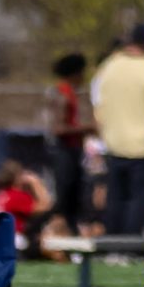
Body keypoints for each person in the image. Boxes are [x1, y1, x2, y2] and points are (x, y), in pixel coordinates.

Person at [92, 25, 144, 237]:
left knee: (115, 198)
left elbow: (97, 104)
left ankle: (112, 242)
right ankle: (131, 245)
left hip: (113, 143)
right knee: (139, 199)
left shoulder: (108, 67)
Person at [45, 52, 88, 232]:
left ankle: (72, 227)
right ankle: (53, 227)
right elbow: (58, 128)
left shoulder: (73, 93)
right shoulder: (61, 93)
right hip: (63, 150)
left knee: (75, 193)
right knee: (64, 192)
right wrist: (87, 128)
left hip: (74, 149)